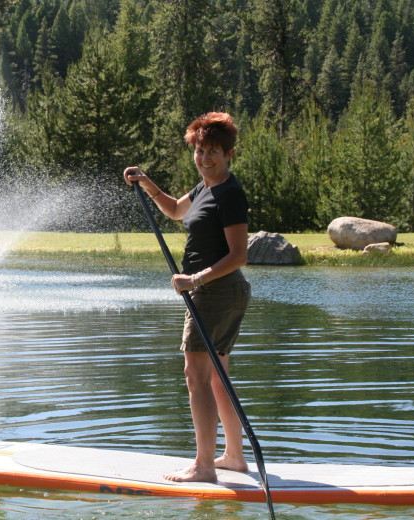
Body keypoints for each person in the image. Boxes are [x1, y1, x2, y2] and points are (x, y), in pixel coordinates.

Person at [123, 112, 251, 483]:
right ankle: (235, 458)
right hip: (217, 292)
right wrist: (147, 184)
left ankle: (204, 465)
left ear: (229, 154)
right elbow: (176, 211)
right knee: (218, 377)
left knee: (196, 375)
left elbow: (239, 255)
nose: (204, 158)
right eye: (199, 150)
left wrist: (194, 279)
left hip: (215, 292)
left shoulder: (230, 193)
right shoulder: (203, 189)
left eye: (212, 151)